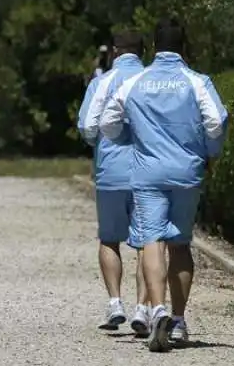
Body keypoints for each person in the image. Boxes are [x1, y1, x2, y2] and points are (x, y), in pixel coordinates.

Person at [99, 17, 228, 352]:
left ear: (154, 47)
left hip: (148, 173)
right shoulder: (197, 81)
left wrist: (130, 137)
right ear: (184, 47)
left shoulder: (135, 81)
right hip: (187, 173)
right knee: (181, 245)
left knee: (152, 240)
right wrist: (208, 151)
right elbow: (218, 120)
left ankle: (157, 310)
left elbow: (107, 123)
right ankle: (180, 320)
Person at [77, 30, 150, 336]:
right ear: (142, 51)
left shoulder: (102, 81)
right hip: (148, 171)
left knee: (109, 239)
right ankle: (144, 309)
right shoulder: (151, 79)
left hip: (111, 171)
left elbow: (87, 128)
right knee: (149, 242)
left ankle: (115, 302)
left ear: (115, 51)